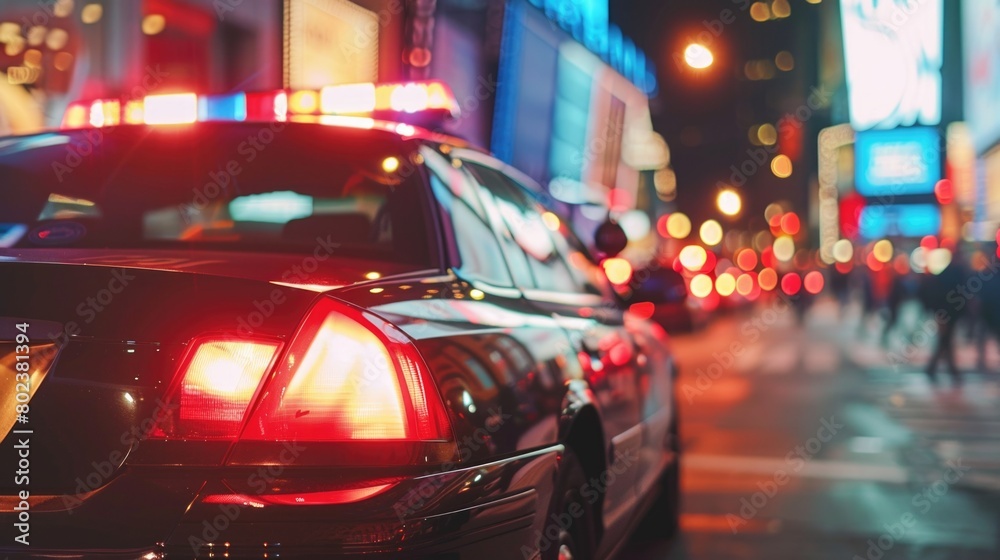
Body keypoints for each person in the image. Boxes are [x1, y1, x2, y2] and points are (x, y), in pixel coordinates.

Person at [918, 248, 968, 385]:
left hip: (945, 313)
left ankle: (942, 368)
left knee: (945, 341)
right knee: (945, 341)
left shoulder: (947, 273)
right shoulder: (955, 274)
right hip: (948, 314)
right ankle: (944, 369)